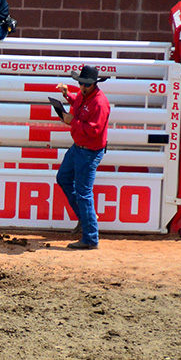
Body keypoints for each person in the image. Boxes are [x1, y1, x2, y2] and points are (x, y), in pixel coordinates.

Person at [56, 65, 112, 250]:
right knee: (64, 179)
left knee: (83, 193)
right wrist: (67, 95)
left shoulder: (100, 103)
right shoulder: (86, 95)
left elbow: (94, 131)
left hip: (88, 151)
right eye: (80, 83)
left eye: (86, 84)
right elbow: (78, 102)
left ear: (94, 84)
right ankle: (85, 219)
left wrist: (72, 121)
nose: (82, 86)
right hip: (80, 148)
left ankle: (90, 237)